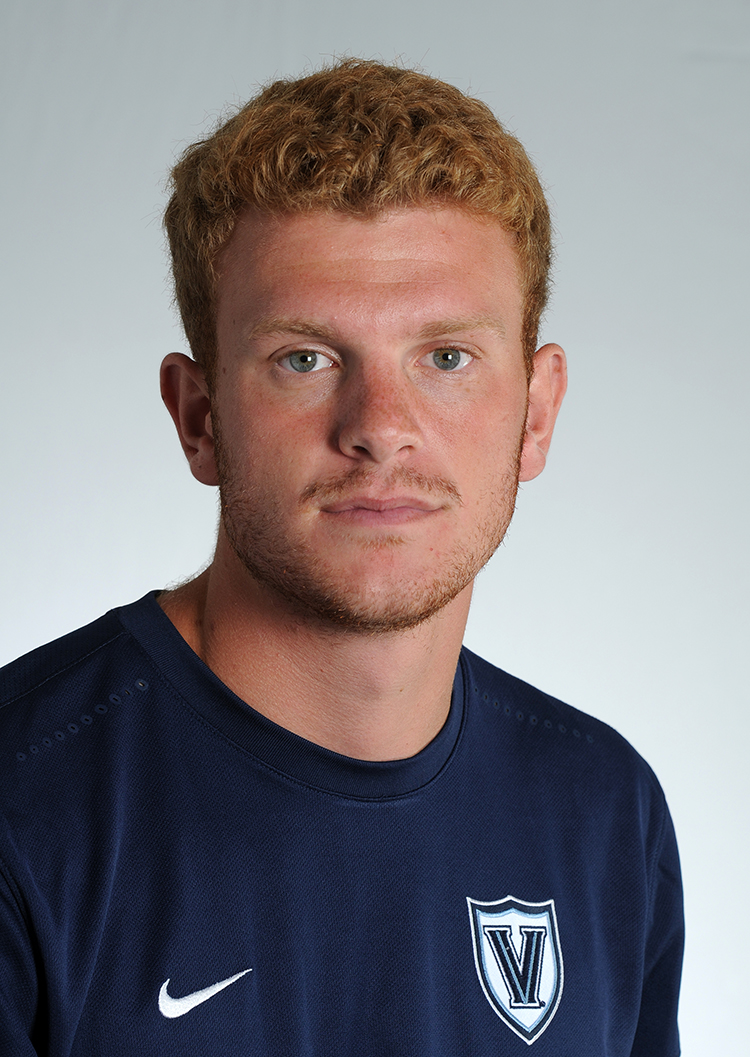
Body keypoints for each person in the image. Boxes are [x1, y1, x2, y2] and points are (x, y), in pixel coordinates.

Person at [0, 59, 683, 1055]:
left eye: (446, 357)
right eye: (305, 359)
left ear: (536, 415)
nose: (380, 426)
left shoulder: (606, 812)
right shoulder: (26, 807)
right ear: (199, 417)